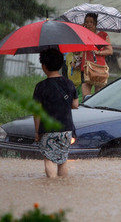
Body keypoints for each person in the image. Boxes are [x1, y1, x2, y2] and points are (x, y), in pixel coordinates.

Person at [33, 49, 79, 178]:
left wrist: (37, 132)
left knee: (49, 159)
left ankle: (51, 186)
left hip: (47, 130)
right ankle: (61, 187)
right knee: (63, 159)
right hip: (66, 129)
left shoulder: (40, 86)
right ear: (60, 65)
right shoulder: (69, 84)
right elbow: (75, 105)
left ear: (44, 66)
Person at [81, 13, 113, 100]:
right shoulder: (82, 35)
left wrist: (97, 52)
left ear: (95, 23)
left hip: (99, 68)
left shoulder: (103, 35)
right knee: (85, 97)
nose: (88, 24)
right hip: (85, 67)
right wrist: (80, 29)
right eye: (86, 22)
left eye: (91, 22)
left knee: (98, 97)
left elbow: (110, 51)